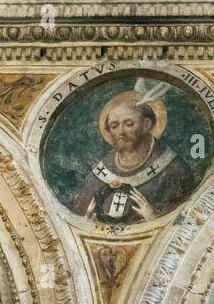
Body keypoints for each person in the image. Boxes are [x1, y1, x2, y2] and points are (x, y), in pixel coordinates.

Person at [68, 93, 195, 224]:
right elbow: (78, 212)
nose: (120, 132)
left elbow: (184, 220)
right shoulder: (101, 170)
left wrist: (153, 219)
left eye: (128, 124)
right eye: (114, 126)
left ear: (146, 125)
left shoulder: (173, 170)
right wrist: (86, 221)